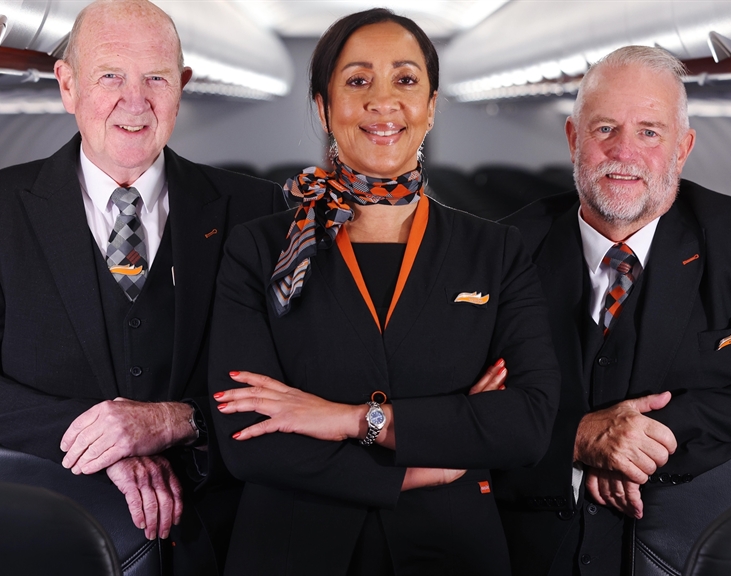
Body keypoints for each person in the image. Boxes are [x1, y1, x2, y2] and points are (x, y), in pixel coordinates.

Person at [0, 1, 283, 573]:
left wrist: (175, 421)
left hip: (221, 534)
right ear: (67, 85)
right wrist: (102, 438)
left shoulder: (254, 211)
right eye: (110, 75)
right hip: (57, 533)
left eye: (156, 78)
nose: (134, 102)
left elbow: (281, 384)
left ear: (182, 86)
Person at [206, 9, 561, 576]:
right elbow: (248, 434)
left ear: (431, 106)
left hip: (452, 555)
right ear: (324, 107)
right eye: (357, 81)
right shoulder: (259, 250)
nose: (382, 101)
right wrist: (427, 461)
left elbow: (527, 423)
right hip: (293, 551)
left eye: (405, 80)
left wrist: (349, 419)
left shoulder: (495, 252)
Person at [495, 46, 731, 576]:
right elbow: (460, 411)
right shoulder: (505, 250)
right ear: (573, 139)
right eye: (604, 129)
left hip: (689, 550)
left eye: (650, 133)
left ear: (682, 148)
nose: (625, 153)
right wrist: (577, 436)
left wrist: (657, 432)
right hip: (528, 549)